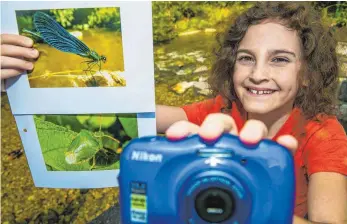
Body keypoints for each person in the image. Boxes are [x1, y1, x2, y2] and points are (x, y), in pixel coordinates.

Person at [1, 2, 346, 224]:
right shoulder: (221, 110)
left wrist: (243, 200)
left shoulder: (325, 133)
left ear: (308, 75)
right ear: (231, 64)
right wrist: (23, 83)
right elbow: (137, 114)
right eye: (246, 58)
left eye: (280, 59)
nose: (258, 73)